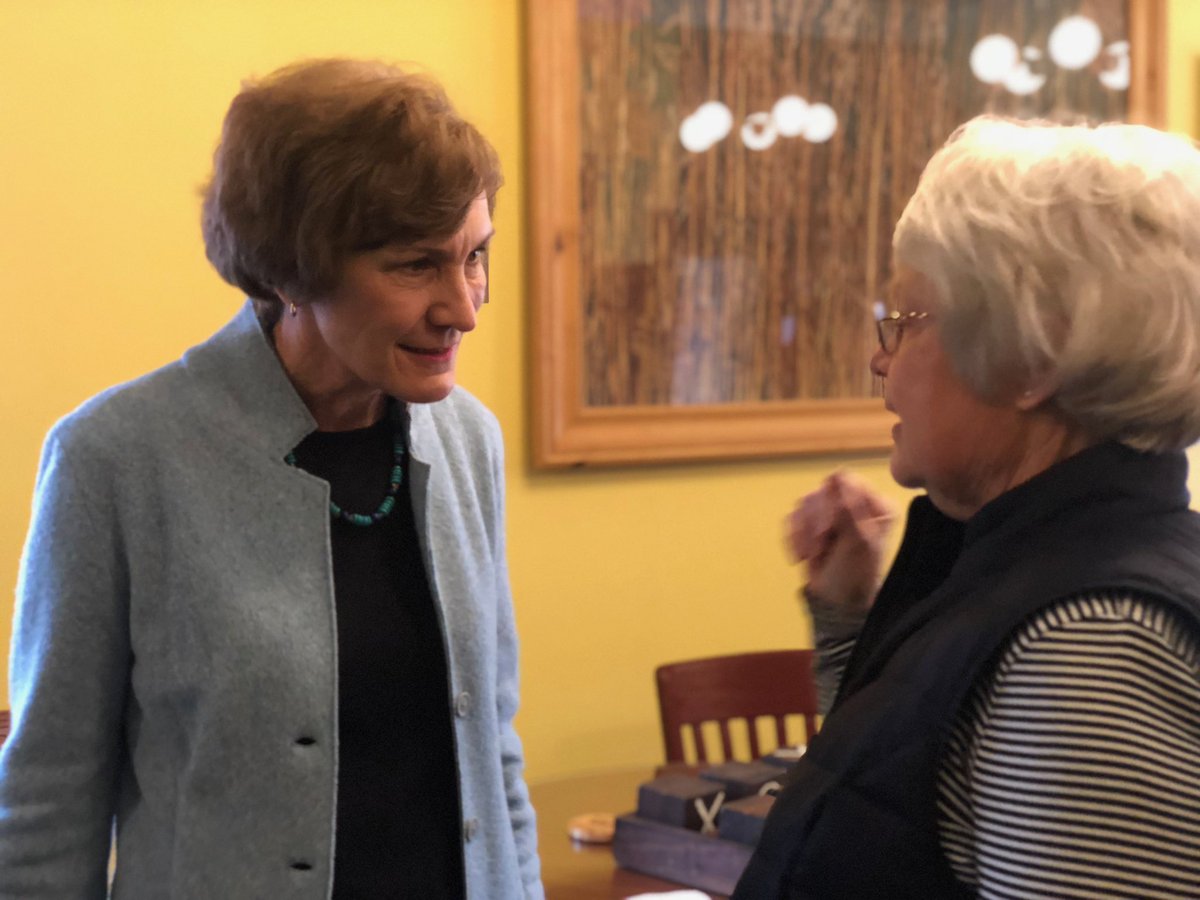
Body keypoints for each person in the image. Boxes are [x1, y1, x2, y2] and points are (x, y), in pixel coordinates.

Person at [0, 58, 542, 899]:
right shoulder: (113, 459)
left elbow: (493, 755)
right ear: (290, 270)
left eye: (475, 255)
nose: (464, 307)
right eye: (415, 265)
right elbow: (48, 801)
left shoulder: (470, 439)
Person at [734, 116, 1200, 898]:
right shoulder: (1024, 568)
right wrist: (848, 618)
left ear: (1034, 358)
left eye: (908, 321)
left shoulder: (1090, 642)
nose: (879, 358)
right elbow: (895, 818)